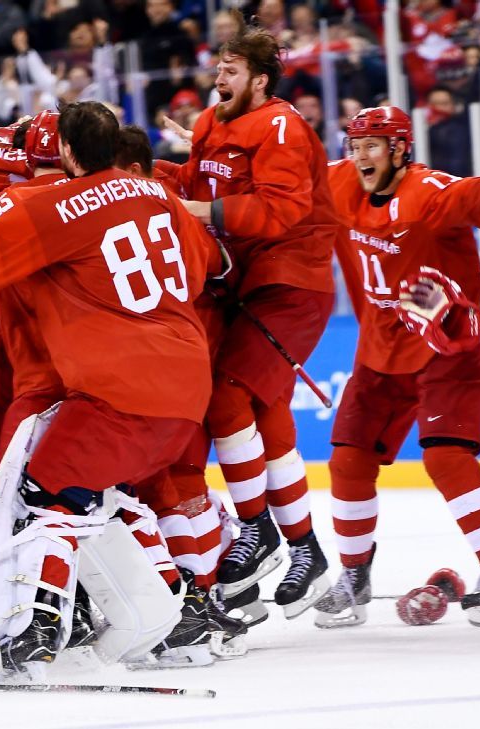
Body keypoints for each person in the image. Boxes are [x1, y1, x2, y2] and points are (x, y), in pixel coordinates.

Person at [0, 100, 215, 670]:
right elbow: (201, 268)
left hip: (118, 387)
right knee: (98, 497)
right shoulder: (157, 194)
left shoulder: (54, 204)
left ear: (68, 153)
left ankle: (43, 626)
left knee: (43, 495)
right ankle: (171, 611)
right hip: (185, 378)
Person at [313, 106, 480, 628]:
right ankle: (354, 577)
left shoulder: (427, 193)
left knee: (447, 460)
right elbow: (283, 177)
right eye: (356, 146)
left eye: (373, 146)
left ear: (401, 149)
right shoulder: (338, 182)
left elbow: (478, 196)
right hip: (379, 353)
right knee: (347, 462)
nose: (361, 156)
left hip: (445, 349)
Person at [172, 27, 339, 619]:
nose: (220, 78)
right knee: (263, 409)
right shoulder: (207, 125)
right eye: (219, 66)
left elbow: (281, 208)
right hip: (243, 281)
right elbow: (191, 188)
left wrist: (197, 206)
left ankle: (256, 526)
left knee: (226, 398)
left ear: (261, 79)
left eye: (233, 70)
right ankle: (305, 549)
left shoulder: (281, 126)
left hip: (292, 281)